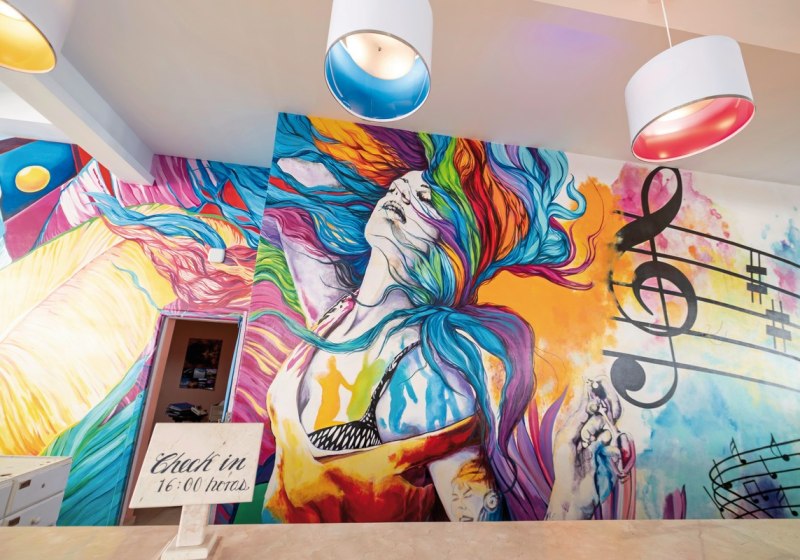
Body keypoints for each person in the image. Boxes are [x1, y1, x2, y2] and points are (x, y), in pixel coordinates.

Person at [259, 115, 630, 522]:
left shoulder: (431, 382)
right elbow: (299, 199)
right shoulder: (332, 314)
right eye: (401, 186)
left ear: (449, 243)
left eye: (425, 197)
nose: (402, 191)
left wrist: (569, 504)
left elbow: (484, 539)